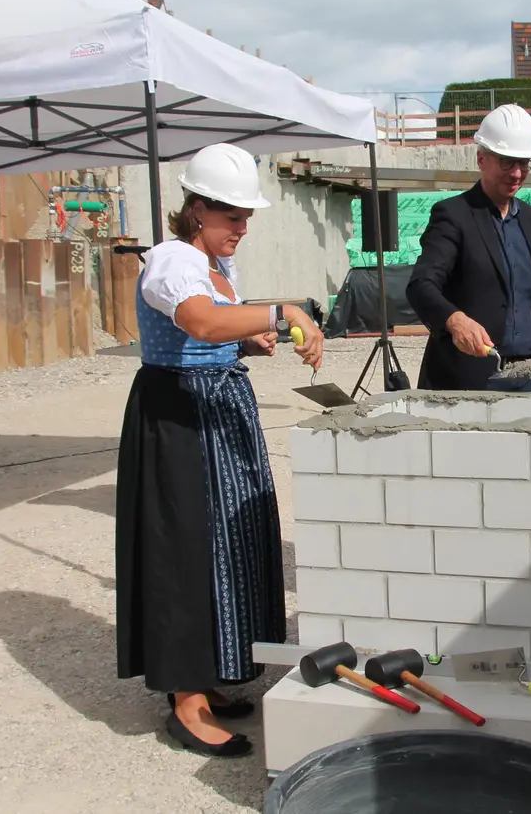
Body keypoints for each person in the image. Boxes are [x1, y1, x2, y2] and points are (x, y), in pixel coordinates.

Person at [115, 142, 324, 757]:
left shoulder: (214, 265)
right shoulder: (170, 261)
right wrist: (285, 309)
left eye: (246, 216)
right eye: (233, 215)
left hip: (218, 408)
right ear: (198, 207)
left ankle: (210, 673)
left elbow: (214, 334)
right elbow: (200, 323)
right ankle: (185, 700)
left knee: (230, 540)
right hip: (178, 415)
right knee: (185, 550)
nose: (243, 227)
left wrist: (248, 343)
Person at [408, 103, 531, 393]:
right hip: (472, 378)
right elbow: (421, 285)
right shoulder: (453, 216)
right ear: (481, 158)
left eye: (524, 163)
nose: (516, 173)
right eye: (506, 161)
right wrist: (454, 320)